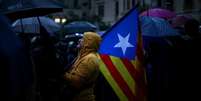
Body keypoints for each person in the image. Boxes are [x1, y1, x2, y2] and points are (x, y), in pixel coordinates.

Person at [64, 32, 101, 101]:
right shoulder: (84, 56)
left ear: (89, 43)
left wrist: (61, 74)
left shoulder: (89, 59)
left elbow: (76, 83)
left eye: (83, 39)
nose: (79, 40)